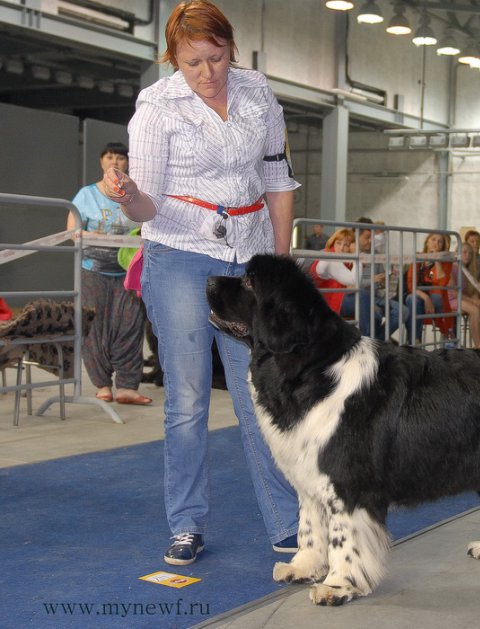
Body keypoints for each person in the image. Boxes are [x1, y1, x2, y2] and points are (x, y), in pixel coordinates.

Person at [99, 0, 299, 566]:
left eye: (216, 57)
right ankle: (186, 523)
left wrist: (278, 264)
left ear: (232, 49)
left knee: (260, 397)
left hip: (249, 255)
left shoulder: (258, 93)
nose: (207, 72)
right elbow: (147, 205)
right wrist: (124, 193)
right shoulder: (156, 108)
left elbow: (278, 179)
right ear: (173, 60)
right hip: (181, 254)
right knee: (186, 400)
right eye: (192, 63)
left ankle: (288, 524)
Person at [67, 142, 151, 406]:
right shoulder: (85, 195)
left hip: (127, 273)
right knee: (94, 326)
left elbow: (146, 229)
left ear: (127, 163)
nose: (114, 161)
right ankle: (102, 384)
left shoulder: (134, 196)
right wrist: (96, 236)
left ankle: (127, 386)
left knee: (131, 325)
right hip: (93, 271)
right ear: (102, 163)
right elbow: (72, 233)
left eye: (120, 157)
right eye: (109, 157)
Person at [310, 228, 380, 335]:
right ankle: (366, 339)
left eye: (346, 245)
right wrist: (357, 258)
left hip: (327, 301)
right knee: (364, 297)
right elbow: (354, 281)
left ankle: (372, 339)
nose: (342, 248)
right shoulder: (331, 259)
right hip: (326, 304)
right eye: (338, 243)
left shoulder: (333, 256)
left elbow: (349, 285)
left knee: (377, 315)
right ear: (333, 243)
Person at [353, 225, 408, 340]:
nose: (370, 241)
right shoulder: (350, 254)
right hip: (361, 297)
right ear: (356, 236)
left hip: (377, 296)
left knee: (403, 311)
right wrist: (371, 280)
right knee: (376, 316)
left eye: (372, 238)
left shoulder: (376, 254)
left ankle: (378, 341)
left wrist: (384, 280)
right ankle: (375, 343)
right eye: (367, 238)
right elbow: (350, 283)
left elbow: (380, 280)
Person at [405, 232, 454, 344]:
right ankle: (415, 340)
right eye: (433, 239)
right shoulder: (418, 257)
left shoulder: (446, 261)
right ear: (427, 242)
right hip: (419, 298)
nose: (436, 243)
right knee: (411, 299)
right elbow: (411, 285)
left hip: (437, 299)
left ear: (442, 246)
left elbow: (441, 283)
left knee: (436, 298)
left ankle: (445, 334)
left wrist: (436, 259)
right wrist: (426, 298)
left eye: (440, 241)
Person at [448, 242, 480, 348]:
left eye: (470, 253)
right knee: (475, 310)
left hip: (464, 299)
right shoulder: (452, 267)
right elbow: (454, 292)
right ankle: (478, 346)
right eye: (464, 252)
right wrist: (473, 301)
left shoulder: (468, 270)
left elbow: (469, 292)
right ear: (456, 253)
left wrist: (476, 298)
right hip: (451, 299)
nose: (467, 255)